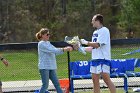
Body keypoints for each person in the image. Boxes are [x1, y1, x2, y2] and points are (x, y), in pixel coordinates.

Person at [80, 14, 116, 93]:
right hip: (95, 59)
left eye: (93, 20)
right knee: (95, 81)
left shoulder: (105, 30)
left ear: (98, 21)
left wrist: (86, 42)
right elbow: (93, 48)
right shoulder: (95, 32)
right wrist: (82, 48)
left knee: (106, 80)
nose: (91, 22)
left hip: (103, 59)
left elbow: (97, 45)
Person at [35, 28, 73, 93]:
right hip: (44, 68)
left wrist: (65, 49)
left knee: (57, 84)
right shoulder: (41, 44)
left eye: (49, 34)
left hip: (51, 67)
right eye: (47, 34)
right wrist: (64, 49)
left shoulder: (48, 43)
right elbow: (53, 50)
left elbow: (55, 52)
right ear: (42, 35)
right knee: (45, 85)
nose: (49, 36)